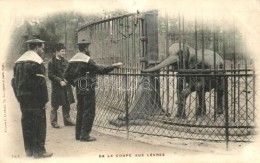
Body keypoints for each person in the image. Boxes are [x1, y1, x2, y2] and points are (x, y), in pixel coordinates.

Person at [64, 39, 122, 142]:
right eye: (88, 48)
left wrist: (76, 83)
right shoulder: (87, 60)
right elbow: (100, 69)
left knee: (80, 110)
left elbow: (66, 75)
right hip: (88, 87)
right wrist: (113, 66)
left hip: (79, 88)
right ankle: (85, 135)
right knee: (89, 111)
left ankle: (78, 134)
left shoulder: (73, 60)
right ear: (86, 48)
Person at [11, 39, 53, 158]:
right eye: (42, 48)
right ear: (37, 48)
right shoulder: (37, 62)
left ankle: (29, 150)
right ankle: (39, 151)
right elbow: (41, 84)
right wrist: (44, 100)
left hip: (23, 99)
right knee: (38, 124)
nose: (43, 51)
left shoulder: (18, 63)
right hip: (35, 100)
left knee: (27, 123)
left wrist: (18, 96)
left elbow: (13, 82)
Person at [48, 43, 75, 128]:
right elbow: (50, 75)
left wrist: (68, 78)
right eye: (62, 51)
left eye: (64, 51)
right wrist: (60, 81)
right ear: (57, 51)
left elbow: (68, 71)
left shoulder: (65, 61)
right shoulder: (51, 62)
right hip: (57, 86)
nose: (64, 53)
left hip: (66, 85)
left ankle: (67, 120)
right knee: (55, 104)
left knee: (66, 103)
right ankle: (54, 122)